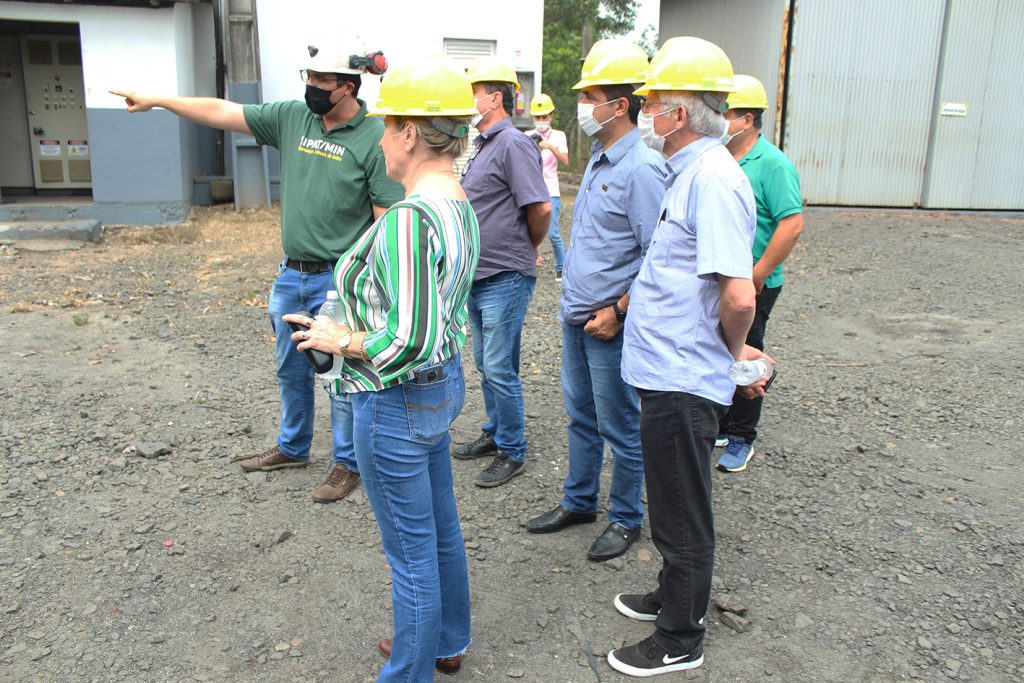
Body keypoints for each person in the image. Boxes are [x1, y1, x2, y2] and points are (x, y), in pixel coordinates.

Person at [111, 40, 404, 504]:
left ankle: (348, 463)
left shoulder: (373, 136)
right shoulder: (294, 117)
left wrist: (369, 285)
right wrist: (160, 101)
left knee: (341, 374)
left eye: (321, 81)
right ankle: (293, 447)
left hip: (339, 280)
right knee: (291, 368)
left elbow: (386, 219)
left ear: (348, 86)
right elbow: (223, 111)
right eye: (307, 78)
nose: (311, 87)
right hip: (293, 274)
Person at [283, 55, 479, 682]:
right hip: (438, 390)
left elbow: (409, 338)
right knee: (439, 530)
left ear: (412, 133)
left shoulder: (409, 217)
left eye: (388, 124)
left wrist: (341, 339)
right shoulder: (457, 203)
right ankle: (445, 641)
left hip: (395, 399)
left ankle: (409, 672)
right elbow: (437, 325)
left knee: (411, 555)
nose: (381, 136)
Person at [607, 37, 772, 677]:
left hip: (685, 373)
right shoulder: (691, 175)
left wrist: (734, 357)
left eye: (652, 104)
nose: (645, 114)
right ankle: (671, 595)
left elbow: (738, 293)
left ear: (678, 115)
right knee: (669, 495)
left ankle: (681, 635)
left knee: (682, 506)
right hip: (667, 367)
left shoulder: (715, 179)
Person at [524, 40, 665, 562]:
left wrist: (621, 310)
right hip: (576, 316)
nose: (584, 107)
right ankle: (579, 502)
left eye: (593, 97)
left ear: (619, 105)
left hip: (610, 323)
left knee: (621, 425)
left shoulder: (643, 168)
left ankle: (626, 517)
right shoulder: (601, 161)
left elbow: (657, 256)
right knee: (580, 416)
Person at [454, 58, 552, 488]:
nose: (468, 99)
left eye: (474, 91)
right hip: (479, 276)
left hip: (505, 276)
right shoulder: (483, 143)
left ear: (495, 98)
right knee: (486, 363)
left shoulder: (512, 142)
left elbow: (541, 206)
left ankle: (513, 449)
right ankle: (496, 433)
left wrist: (527, 248)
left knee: (498, 366)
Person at [715, 74, 804, 473]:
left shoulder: (772, 164)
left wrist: (758, 273)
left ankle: (741, 437)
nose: (719, 119)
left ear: (747, 119)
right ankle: (720, 422)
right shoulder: (720, 158)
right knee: (720, 347)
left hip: (754, 281)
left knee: (747, 350)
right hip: (724, 278)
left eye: (726, 113)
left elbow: (791, 224)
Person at [525, 93, 568, 280]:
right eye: (538, 117)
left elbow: (565, 161)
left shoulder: (558, 136)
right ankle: (532, 262)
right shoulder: (528, 136)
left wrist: (550, 147)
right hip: (531, 189)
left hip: (551, 189)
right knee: (529, 229)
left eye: (544, 117)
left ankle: (562, 267)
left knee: (553, 232)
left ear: (551, 116)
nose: (541, 121)